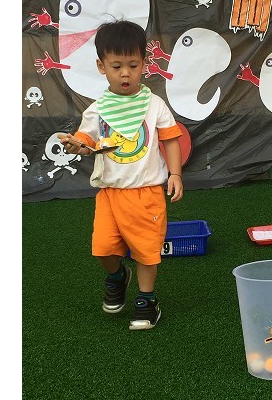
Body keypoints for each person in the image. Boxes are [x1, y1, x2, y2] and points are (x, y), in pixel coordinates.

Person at [59, 20, 183, 330]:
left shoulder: (154, 105)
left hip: (146, 193)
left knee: (146, 252)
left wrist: (176, 173)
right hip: (110, 194)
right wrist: (76, 145)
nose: (125, 73)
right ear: (101, 66)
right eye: (116, 66)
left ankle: (147, 300)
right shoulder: (98, 109)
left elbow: (171, 139)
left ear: (144, 63)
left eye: (133, 65)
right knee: (102, 249)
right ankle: (117, 276)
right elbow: (86, 142)